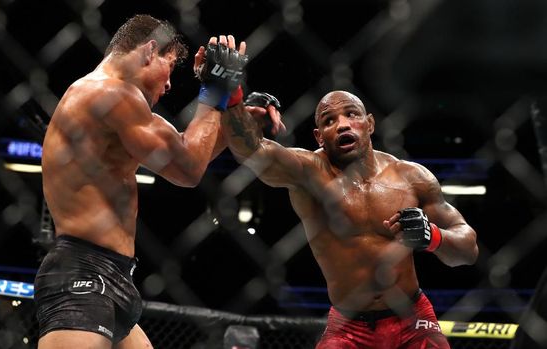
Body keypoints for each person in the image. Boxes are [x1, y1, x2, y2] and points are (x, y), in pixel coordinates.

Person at [34, 14, 251, 349]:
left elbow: (191, 149)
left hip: (114, 274)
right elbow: (189, 169)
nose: (168, 86)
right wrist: (212, 89)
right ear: (150, 51)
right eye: (169, 67)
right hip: (83, 274)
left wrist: (236, 103)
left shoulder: (122, 106)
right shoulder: (108, 94)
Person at [222, 90, 479, 348]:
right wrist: (236, 102)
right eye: (329, 120)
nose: (343, 124)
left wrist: (433, 236)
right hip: (348, 327)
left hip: (413, 319)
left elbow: (468, 250)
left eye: (351, 114)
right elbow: (252, 151)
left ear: (370, 123)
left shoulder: (412, 177)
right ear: (319, 136)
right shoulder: (307, 173)